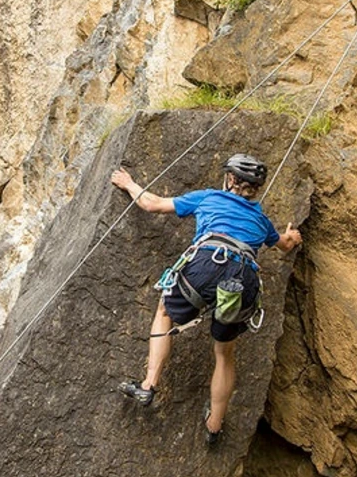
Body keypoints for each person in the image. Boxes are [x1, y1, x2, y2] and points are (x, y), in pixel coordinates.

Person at [111, 153, 302, 445]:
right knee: (225, 353)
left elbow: (151, 204)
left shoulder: (209, 198)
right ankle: (214, 426)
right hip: (243, 279)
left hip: (206, 264)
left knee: (165, 311)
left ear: (231, 179)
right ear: (255, 188)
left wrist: (129, 183)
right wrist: (292, 236)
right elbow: (285, 245)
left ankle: (149, 385)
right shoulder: (261, 221)